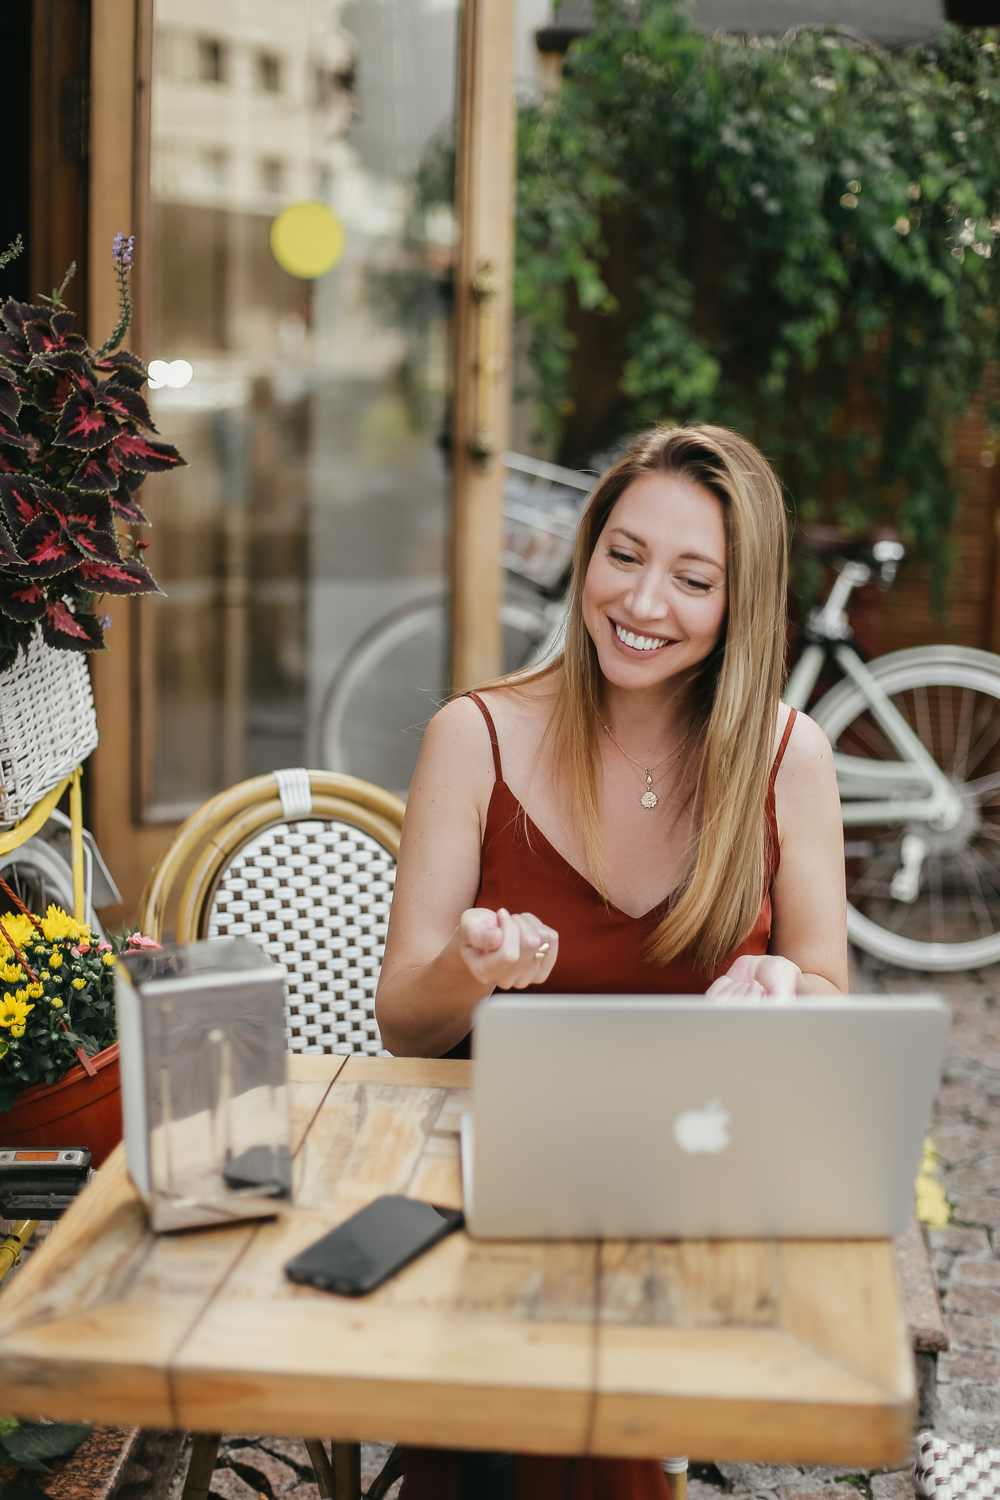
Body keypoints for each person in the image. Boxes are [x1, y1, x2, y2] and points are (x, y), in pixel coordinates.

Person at [375, 425, 848, 1499]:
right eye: (623, 556)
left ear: (739, 602)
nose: (641, 605)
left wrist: (785, 992)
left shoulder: (787, 759)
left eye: (692, 579)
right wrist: (474, 967)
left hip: (694, 1184)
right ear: (585, 551)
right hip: (496, 1188)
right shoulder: (473, 737)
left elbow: (826, 996)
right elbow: (405, 1020)